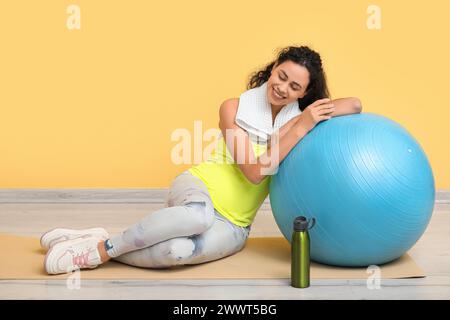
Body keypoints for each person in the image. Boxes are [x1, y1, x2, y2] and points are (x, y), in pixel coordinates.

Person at [41, 45, 362, 274]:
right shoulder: (233, 109)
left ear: (302, 94)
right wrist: (304, 123)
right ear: (273, 68)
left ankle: (97, 237)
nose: (282, 88)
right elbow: (254, 172)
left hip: (235, 224)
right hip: (198, 188)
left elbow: (355, 105)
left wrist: (304, 116)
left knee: (176, 251)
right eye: (281, 76)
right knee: (197, 217)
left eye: (295, 87)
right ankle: (97, 252)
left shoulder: (295, 120)